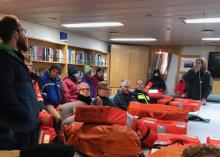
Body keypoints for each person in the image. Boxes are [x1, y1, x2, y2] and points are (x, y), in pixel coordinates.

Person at [0, 15, 39, 149]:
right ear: (16, 34)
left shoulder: (16, 59)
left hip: (26, 125)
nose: (24, 34)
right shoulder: (4, 59)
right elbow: (6, 94)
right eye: (23, 30)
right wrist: (25, 113)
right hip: (17, 129)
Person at [39, 64, 62, 128]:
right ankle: (57, 135)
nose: (55, 73)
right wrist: (48, 99)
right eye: (53, 71)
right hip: (48, 103)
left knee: (66, 115)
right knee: (58, 118)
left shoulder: (58, 80)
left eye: (57, 72)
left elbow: (60, 92)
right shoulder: (43, 79)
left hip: (58, 103)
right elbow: (40, 93)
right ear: (50, 70)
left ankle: (62, 134)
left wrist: (60, 102)